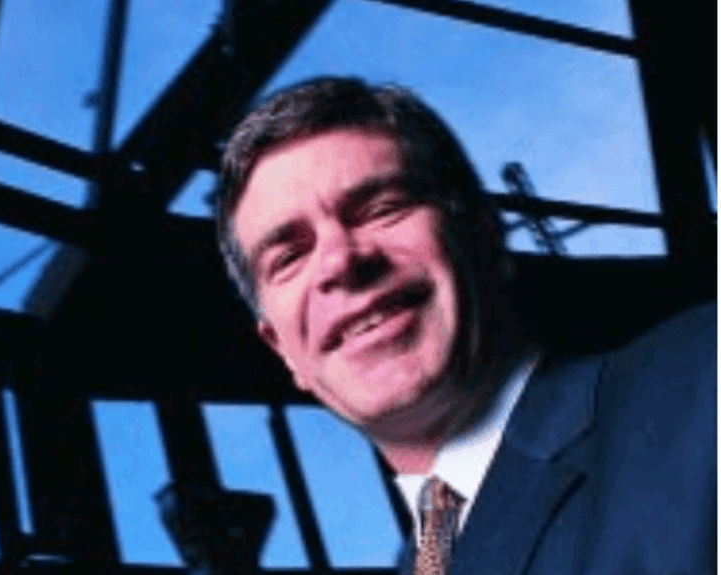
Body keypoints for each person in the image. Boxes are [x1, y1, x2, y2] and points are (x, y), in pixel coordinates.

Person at [215, 76, 716, 574]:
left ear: (485, 233)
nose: (339, 261)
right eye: (289, 256)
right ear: (281, 349)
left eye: (380, 209)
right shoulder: (427, 560)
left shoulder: (701, 386)